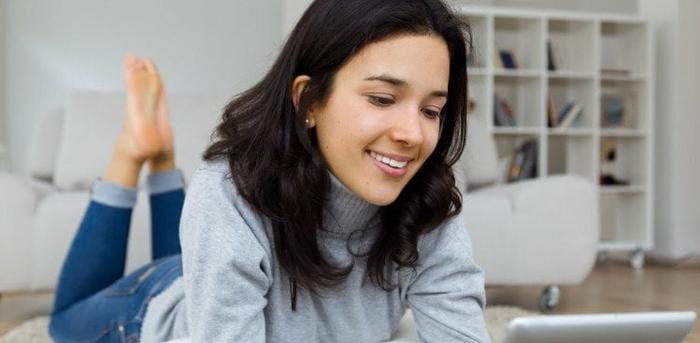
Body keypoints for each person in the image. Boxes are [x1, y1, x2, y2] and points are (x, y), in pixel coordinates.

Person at [49, 0, 489, 342]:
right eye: (382, 99)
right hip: (152, 309)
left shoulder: (428, 207)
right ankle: (134, 154)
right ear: (309, 101)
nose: (413, 133)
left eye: (432, 110)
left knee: (189, 260)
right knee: (63, 322)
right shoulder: (228, 192)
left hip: (210, 269)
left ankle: (162, 158)